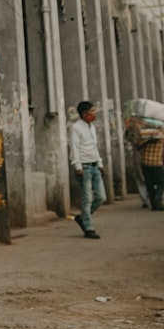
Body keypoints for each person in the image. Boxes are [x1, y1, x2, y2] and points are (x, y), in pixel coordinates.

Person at [68, 101, 105, 239]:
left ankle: (83, 218)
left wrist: (100, 163)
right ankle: (88, 228)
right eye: (92, 111)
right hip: (84, 167)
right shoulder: (76, 128)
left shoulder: (92, 127)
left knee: (101, 197)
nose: (94, 113)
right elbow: (74, 147)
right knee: (87, 199)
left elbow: (94, 146)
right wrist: (77, 166)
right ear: (84, 113)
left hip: (95, 165)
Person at [134, 119, 164, 211]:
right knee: (161, 183)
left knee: (149, 184)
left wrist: (147, 140)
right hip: (157, 163)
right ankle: (158, 198)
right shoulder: (162, 135)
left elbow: (138, 146)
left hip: (145, 162)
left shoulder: (145, 136)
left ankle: (154, 204)